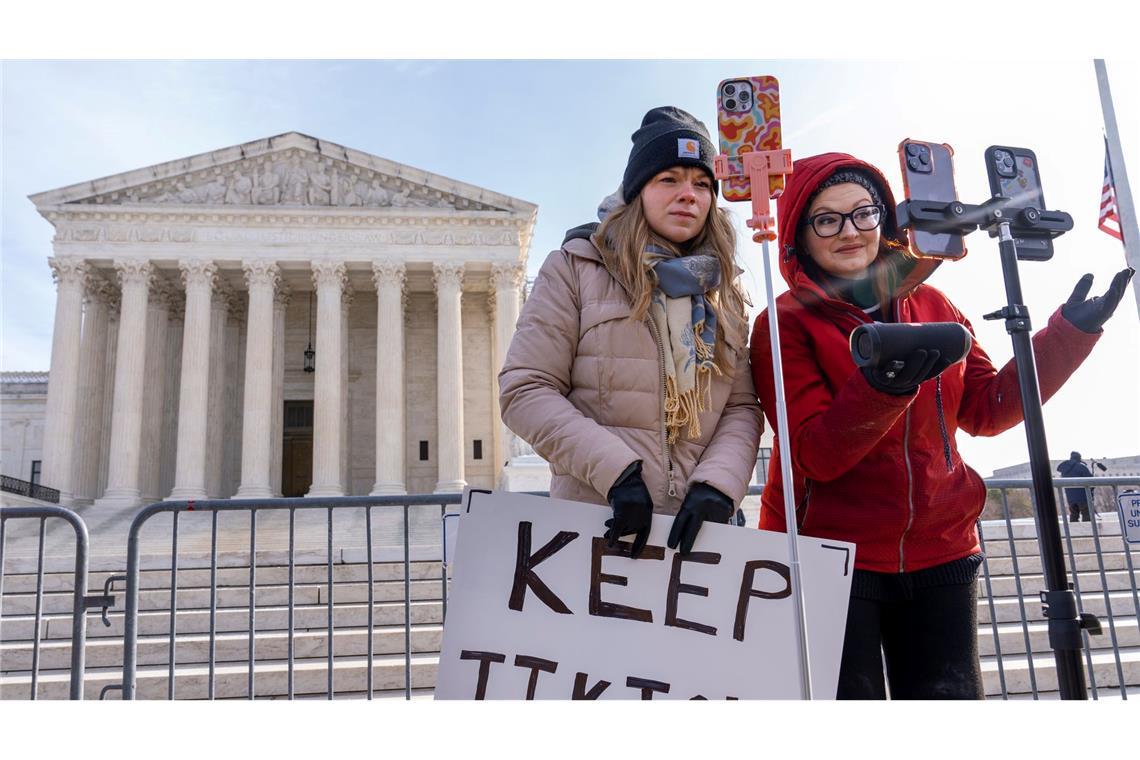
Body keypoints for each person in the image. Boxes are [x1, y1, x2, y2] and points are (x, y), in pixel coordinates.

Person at [749, 151, 1134, 699]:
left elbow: (988, 407)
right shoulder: (782, 323)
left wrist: (1069, 335)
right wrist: (885, 387)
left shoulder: (932, 301)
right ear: (798, 237)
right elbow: (815, 453)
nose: (849, 231)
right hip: (829, 559)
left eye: (863, 212)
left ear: (884, 217)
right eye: (826, 219)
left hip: (944, 550)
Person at [499, 106, 763, 558]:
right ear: (637, 191)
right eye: (669, 180)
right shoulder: (576, 268)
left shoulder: (723, 291)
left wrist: (719, 485)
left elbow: (741, 407)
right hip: (597, 524)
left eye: (702, 184)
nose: (688, 195)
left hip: (699, 540)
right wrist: (618, 473)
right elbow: (525, 390)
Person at [1057, 451, 1094, 522]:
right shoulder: (1081, 467)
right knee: (1086, 515)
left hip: (1071, 498)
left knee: (1074, 515)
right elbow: (1090, 481)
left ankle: (1073, 532)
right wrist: (1091, 491)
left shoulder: (1065, 469)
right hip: (1083, 497)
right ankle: (1088, 531)